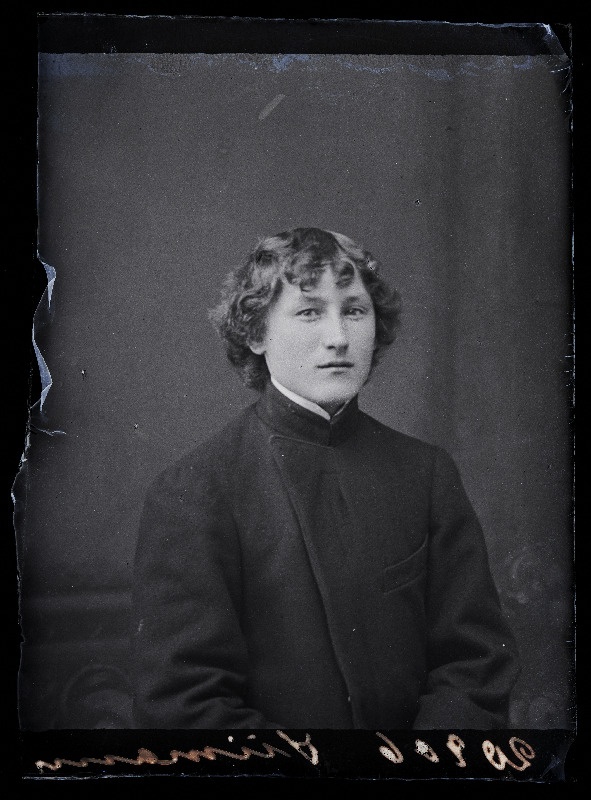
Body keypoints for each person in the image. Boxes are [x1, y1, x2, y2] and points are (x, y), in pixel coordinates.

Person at [131, 226, 520, 729]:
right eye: (309, 312)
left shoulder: (425, 473)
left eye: (354, 311)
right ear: (256, 333)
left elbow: (476, 664)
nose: (338, 337)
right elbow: (184, 705)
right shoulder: (192, 492)